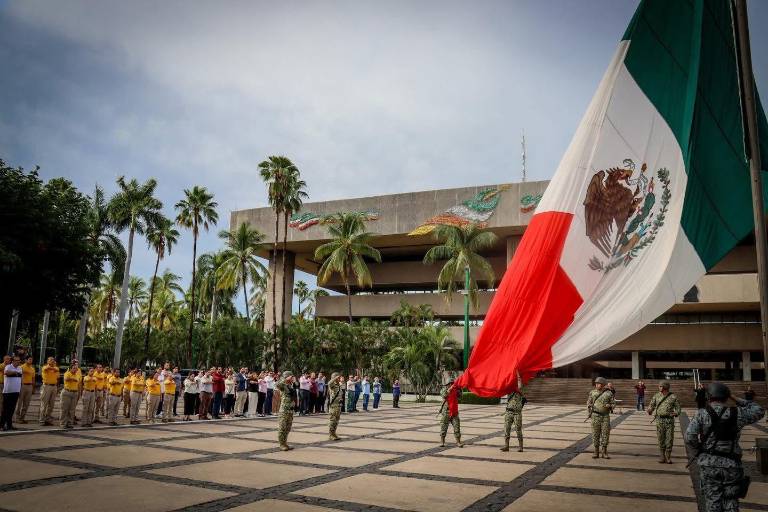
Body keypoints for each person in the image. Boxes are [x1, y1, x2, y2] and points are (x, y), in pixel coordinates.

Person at [686, 382, 765, 512]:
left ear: (708, 396)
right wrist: (735, 398)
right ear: (726, 397)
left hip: (709, 463)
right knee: (731, 500)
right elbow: (758, 410)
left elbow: (689, 437)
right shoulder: (738, 412)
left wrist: (701, 448)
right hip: (732, 464)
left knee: (712, 500)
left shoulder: (702, 413)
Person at [646, 380, 681, 464]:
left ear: (665, 387)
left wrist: (676, 413)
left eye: (661, 386)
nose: (659, 387)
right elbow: (651, 405)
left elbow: (678, 408)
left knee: (669, 439)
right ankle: (662, 456)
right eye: (659, 386)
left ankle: (668, 457)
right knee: (660, 438)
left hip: (669, 421)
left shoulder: (673, 397)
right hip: (659, 420)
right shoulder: (656, 396)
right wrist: (650, 410)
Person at [587, 376, 615, 459]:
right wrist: (589, 410)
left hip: (605, 416)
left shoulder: (609, 393)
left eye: (598, 383)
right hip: (595, 416)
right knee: (595, 434)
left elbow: (613, 404)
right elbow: (588, 402)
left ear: (603, 384)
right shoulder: (592, 393)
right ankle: (596, 451)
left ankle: (604, 451)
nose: (596, 385)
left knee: (605, 434)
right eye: (596, 383)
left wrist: (610, 406)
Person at [438, 380, 463, 447]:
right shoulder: (444, 389)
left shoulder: (456, 389)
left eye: (453, 383)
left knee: (457, 427)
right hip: (446, 412)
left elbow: (460, 396)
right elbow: (444, 395)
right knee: (443, 427)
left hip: (454, 412)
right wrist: (450, 389)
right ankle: (442, 442)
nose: (452, 384)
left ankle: (458, 442)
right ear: (447, 384)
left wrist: (458, 389)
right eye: (450, 383)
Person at [1, 355, 23, 431]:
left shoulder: (20, 368)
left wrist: (14, 373)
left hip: (16, 391)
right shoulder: (8, 366)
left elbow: (20, 375)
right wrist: (15, 373)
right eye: (16, 360)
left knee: (11, 409)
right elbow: (7, 373)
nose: (18, 362)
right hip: (8, 391)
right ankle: (2, 425)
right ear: (12, 361)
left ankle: (9, 425)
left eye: (19, 360)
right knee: (5, 409)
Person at [276, 371, 296, 451]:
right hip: (284, 410)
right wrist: (284, 379)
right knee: (282, 427)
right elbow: (277, 384)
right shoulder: (283, 385)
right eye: (291, 377)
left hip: (290, 410)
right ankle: (281, 444)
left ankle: (285, 443)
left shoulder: (290, 386)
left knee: (288, 428)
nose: (292, 378)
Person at [14, 356, 35, 424]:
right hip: (22, 385)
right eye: (29, 359)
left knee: (26, 403)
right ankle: (17, 418)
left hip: (30, 386)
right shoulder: (21, 367)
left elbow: (33, 378)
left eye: (31, 359)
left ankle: (22, 418)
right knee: (19, 403)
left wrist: (33, 387)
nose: (31, 361)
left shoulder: (32, 368)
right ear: (26, 360)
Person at [39, 357, 59, 426]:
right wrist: (52, 367)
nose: (52, 361)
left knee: (51, 404)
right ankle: (42, 420)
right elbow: (46, 369)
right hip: (46, 386)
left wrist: (53, 367)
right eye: (51, 360)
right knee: (44, 404)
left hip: (54, 386)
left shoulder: (56, 368)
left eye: (53, 360)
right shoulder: (45, 367)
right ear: (47, 361)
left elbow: (57, 374)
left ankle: (48, 419)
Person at [327, 373, 343, 440]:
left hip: (338, 406)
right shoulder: (332, 385)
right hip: (333, 406)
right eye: (338, 378)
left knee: (336, 421)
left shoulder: (339, 385)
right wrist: (334, 378)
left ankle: (334, 433)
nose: (339, 379)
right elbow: (329, 383)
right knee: (332, 420)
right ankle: (331, 434)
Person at [0, 355, 10, 422]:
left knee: (6, 401)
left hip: (7, 384)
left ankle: (4, 416)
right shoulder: (1, 365)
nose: (8, 360)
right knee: (1, 400)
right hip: (1, 384)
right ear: (4, 359)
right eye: (7, 359)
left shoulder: (10, 366)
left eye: (9, 359)